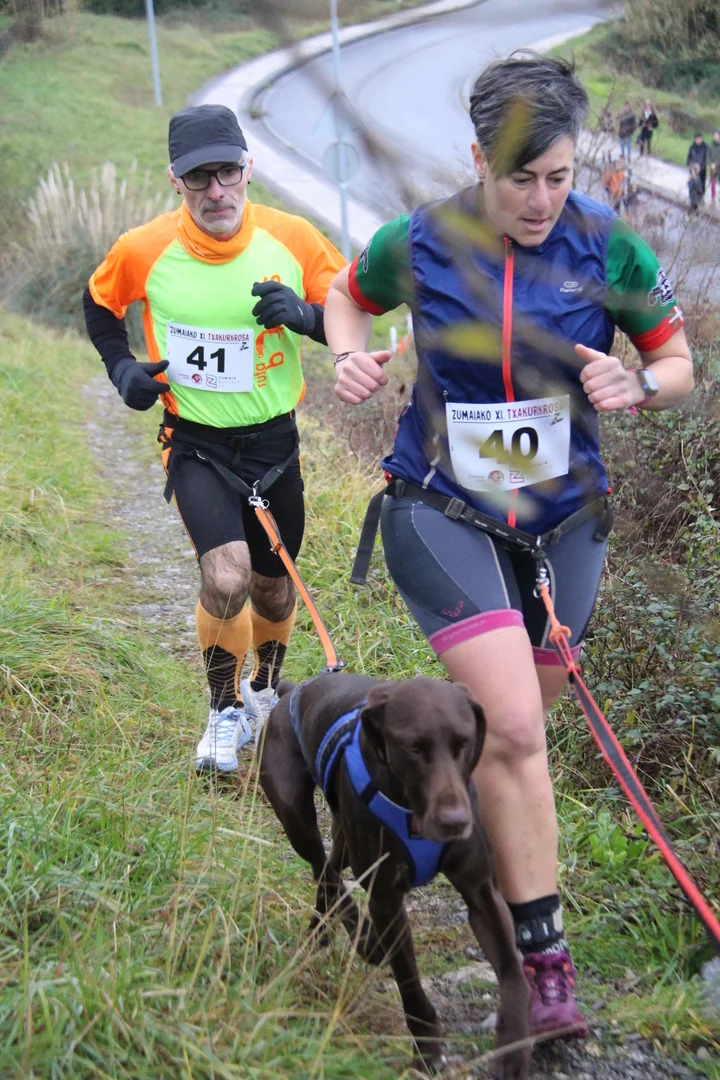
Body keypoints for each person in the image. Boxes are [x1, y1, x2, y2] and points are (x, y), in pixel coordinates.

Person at [324, 53, 693, 1039]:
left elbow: (677, 364)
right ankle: (544, 966)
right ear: (478, 158)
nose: (540, 200)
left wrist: (638, 385)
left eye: (558, 177)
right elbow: (345, 294)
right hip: (439, 508)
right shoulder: (418, 242)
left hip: (566, 524)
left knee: (513, 737)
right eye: (520, 177)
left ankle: (455, 838)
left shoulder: (609, 247)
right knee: (519, 728)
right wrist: (351, 351)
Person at [84, 104, 345, 773]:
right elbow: (100, 302)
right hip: (195, 442)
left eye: (227, 172)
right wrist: (121, 369)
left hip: (274, 445)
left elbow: (351, 311)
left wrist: (307, 316)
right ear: (177, 180)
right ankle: (224, 709)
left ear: (247, 169)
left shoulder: (293, 238)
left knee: (273, 589)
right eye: (199, 177)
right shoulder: (145, 248)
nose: (216, 190)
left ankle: (264, 691)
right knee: (226, 574)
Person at [686, 132, 709, 199]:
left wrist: (700, 167)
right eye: (697, 139)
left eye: (700, 138)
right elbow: (689, 158)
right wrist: (690, 165)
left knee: (701, 185)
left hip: (702, 169)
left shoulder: (705, 147)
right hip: (693, 168)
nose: (698, 140)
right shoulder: (692, 147)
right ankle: (692, 199)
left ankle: (700, 198)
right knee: (692, 184)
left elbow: (706, 159)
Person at [708, 130, 720, 205]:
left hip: (719, 168)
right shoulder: (711, 146)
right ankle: (713, 199)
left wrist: (716, 164)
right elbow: (708, 156)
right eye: (714, 135)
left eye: (717, 135)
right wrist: (711, 164)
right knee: (713, 183)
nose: (716, 137)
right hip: (713, 168)